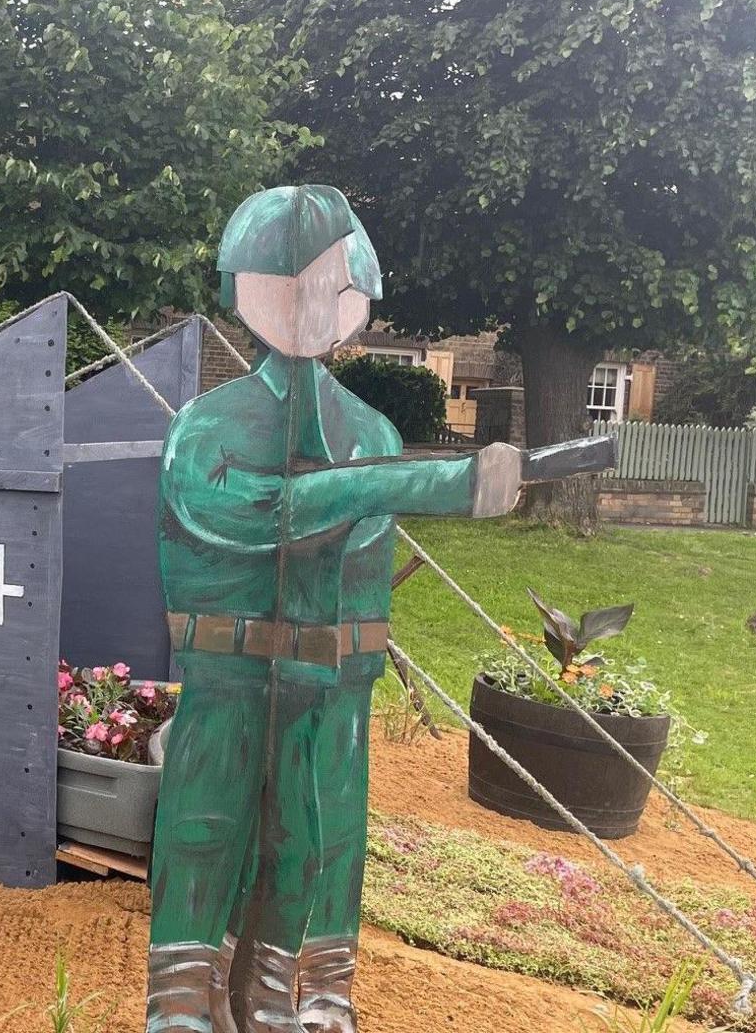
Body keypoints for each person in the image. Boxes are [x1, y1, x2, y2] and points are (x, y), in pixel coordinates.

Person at [148, 186, 522, 1033]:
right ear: (243, 289)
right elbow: (248, 511)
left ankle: (301, 993)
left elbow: (348, 529)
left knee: (320, 841)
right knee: (208, 825)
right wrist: (438, 483)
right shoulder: (207, 427)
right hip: (230, 672)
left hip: (337, 682)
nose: (316, 304)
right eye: (290, 283)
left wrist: (387, 484)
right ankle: (182, 996)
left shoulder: (371, 430)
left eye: (336, 286)